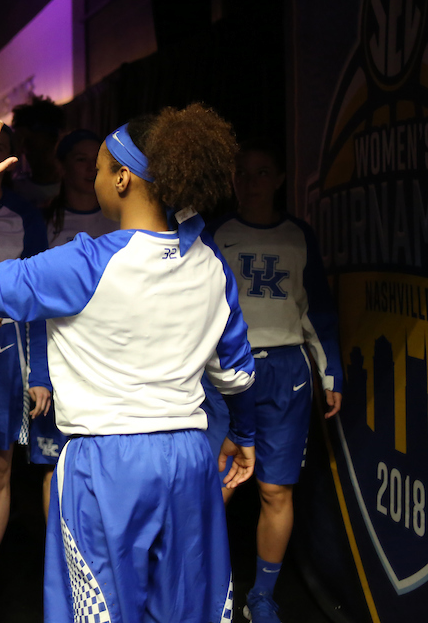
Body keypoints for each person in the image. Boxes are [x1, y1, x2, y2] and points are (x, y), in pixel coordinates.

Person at [0, 108, 259, 623]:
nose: (94, 178)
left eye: (100, 168)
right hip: (189, 460)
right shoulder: (209, 261)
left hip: (108, 465)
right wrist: (242, 434)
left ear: (124, 178)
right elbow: (238, 375)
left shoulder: (83, 262)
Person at [201, 142, 344, 623]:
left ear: (280, 178)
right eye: (242, 172)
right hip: (226, 372)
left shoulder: (298, 235)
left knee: (275, 490)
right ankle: (207, 587)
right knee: (215, 486)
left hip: (286, 373)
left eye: (263, 172)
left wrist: (331, 372)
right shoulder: (213, 233)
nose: (252, 181)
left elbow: (316, 310)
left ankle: (261, 595)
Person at [0, 123, 48, 623]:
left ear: (13, 158)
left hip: (6, 360)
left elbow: (41, 299)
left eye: (0, 148)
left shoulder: (26, 217)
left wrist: (39, 370)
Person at [29, 129, 119, 519]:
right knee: (56, 468)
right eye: (80, 159)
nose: (89, 168)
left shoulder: (121, 220)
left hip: (112, 358)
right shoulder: (45, 222)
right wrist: (39, 374)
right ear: (62, 167)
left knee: (108, 466)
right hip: (62, 356)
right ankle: (59, 564)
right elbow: (32, 300)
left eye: (95, 160)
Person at [10, 96, 65, 208]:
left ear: (53, 138)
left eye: (29, 141)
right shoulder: (12, 191)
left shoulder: (76, 189)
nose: (24, 149)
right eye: (21, 142)